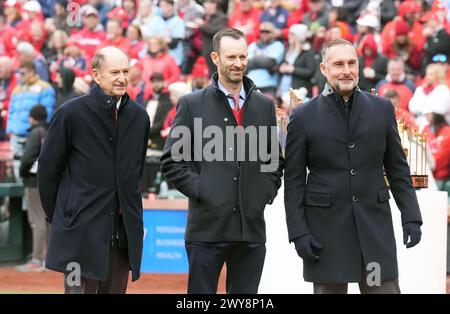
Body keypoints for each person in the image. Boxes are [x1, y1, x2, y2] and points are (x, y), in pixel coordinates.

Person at [284, 39, 423, 294]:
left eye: (351, 63)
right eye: (338, 64)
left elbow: (397, 169)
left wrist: (411, 216)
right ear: (324, 69)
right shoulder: (304, 116)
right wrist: (298, 232)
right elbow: (293, 180)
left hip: (374, 230)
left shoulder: (381, 109)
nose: (346, 70)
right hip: (326, 233)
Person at [160, 28, 283, 294]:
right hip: (206, 231)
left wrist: (264, 192)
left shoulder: (264, 105)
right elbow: (172, 161)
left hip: (251, 230)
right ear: (215, 57)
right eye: (231, 57)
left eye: (243, 56)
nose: (238, 63)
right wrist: (204, 190)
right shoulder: (191, 104)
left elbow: (274, 161)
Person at [37, 47, 150, 294]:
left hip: (121, 237)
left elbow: (136, 172)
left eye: (125, 71)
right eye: (115, 72)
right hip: (80, 236)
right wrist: (63, 217)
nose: (122, 78)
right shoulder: (70, 113)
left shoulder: (140, 117)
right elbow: (47, 173)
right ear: (96, 75)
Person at [15, 104, 49, 272]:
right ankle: (48, 259)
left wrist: (22, 173)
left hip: (34, 181)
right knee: (46, 220)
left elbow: (27, 159)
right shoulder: (49, 131)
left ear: (32, 117)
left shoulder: (36, 132)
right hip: (47, 182)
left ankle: (38, 259)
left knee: (37, 221)